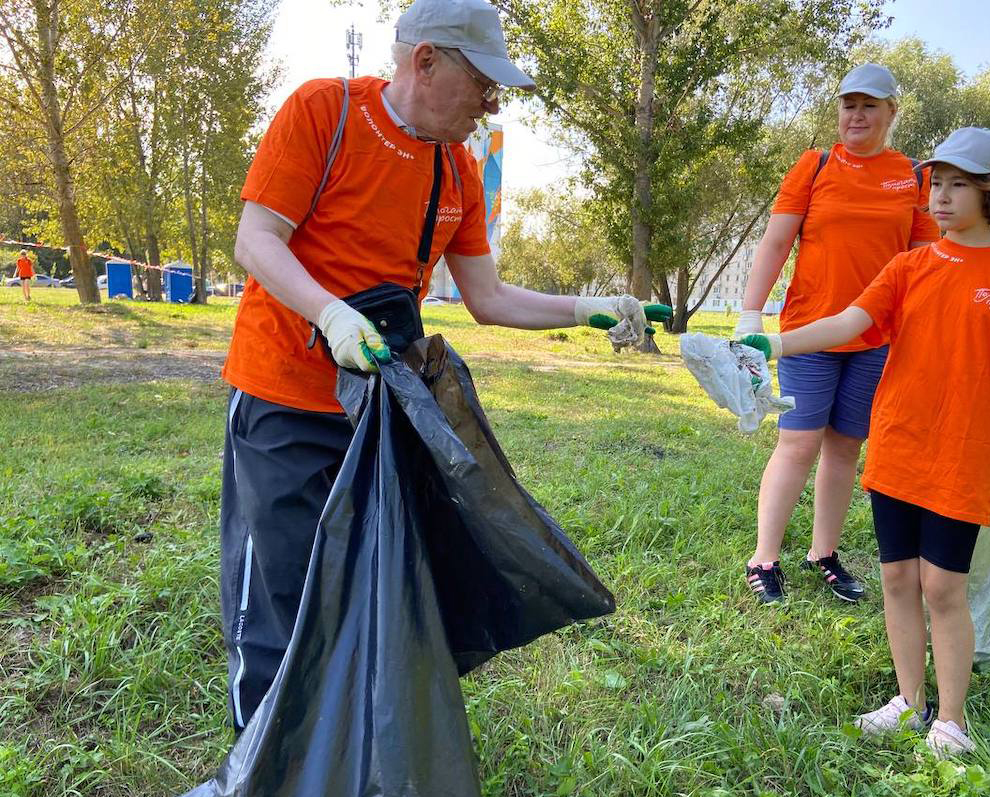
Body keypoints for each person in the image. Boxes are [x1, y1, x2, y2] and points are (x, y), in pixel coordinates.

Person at [219, 0, 668, 734]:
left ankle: (345, 753)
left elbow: (487, 296)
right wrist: (329, 313)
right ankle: (265, 758)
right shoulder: (323, 114)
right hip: (284, 401)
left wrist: (586, 307)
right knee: (280, 597)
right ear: (424, 61)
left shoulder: (457, 171)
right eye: (482, 80)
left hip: (380, 418)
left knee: (367, 588)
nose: (493, 100)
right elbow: (257, 239)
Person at [737, 128, 990, 756]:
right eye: (936, 183)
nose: (940, 197)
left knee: (943, 586)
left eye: (958, 184)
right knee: (896, 578)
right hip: (897, 443)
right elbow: (849, 321)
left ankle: (951, 719)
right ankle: (908, 700)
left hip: (963, 453)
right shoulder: (911, 264)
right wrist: (777, 341)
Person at [736, 63, 940, 604]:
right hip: (808, 331)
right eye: (849, 104)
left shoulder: (912, 177)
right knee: (798, 443)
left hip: (876, 338)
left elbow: (924, 260)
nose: (857, 114)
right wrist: (749, 313)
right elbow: (776, 243)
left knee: (846, 447)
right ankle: (764, 558)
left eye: (870, 105)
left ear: (891, 112)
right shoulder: (815, 165)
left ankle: (823, 552)